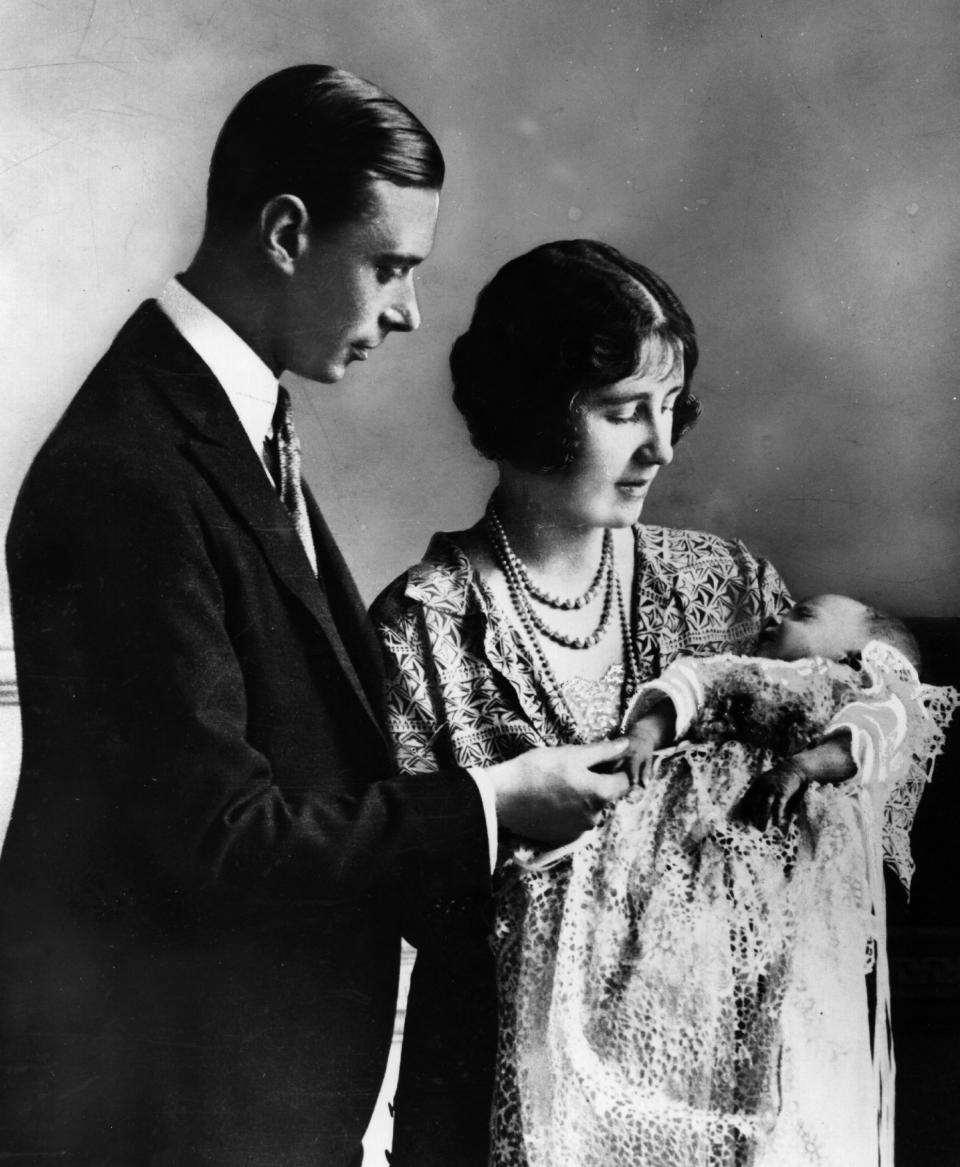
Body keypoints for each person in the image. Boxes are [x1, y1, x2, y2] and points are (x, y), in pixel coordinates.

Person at [0, 68, 630, 1167]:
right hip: (162, 1114)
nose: (408, 311)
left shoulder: (223, 426)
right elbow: (221, 835)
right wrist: (491, 803)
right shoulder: (131, 467)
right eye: (389, 267)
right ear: (287, 232)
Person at [371, 239, 825, 1163]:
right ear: (536, 413)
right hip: (497, 1102)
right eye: (625, 413)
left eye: (670, 409)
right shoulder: (422, 629)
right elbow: (398, 912)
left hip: (707, 1097)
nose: (661, 446)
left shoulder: (731, 590)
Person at [509, 594, 957, 1166]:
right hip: (690, 829)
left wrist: (797, 768)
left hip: (786, 839)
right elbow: (686, 689)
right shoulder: (740, 670)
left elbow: (860, 744)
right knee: (668, 944)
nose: (776, 617)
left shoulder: (861, 691)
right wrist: (647, 735)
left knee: (780, 993)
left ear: (855, 653)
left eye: (804, 615)